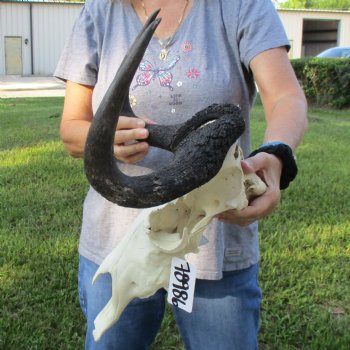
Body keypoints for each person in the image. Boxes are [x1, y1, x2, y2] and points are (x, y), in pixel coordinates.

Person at [55, 0, 308, 349]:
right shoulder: (99, 12)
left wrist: (276, 153)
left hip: (215, 238)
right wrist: (102, 137)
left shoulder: (239, 6)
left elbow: (285, 97)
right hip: (117, 245)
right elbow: (71, 129)